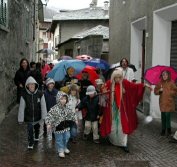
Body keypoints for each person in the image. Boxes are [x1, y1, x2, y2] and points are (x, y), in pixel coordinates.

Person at [100, 69, 150, 152]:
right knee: (112, 126)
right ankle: (113, 140)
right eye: (116, 78)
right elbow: (103, 94)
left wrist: (143, 85)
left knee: (122, 126)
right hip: (111, 110)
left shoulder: (124, 83)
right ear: (113, 77)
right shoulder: (109, 83)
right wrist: (105, 92)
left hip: (122, 110)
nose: (118, 79)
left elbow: (134, 87)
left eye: (120, 77)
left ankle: (123, 143)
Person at [18, 76, 47, 149]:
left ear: (35, 85)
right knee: (30, 129)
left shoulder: (40, 94)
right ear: (27, 86)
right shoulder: (24, 95)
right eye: (30, 84)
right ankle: (30, 142)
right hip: (28, 116)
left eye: (33, 84)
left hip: (37, 115)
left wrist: (44, 117)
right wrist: (20, 119)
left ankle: (36, 136)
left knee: (37, 127)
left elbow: (43, 106)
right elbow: (21, 108)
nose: (31, 86)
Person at [45, 91, 76, 158]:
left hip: (66, 126)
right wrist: (48, 123)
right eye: (61, 99)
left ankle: (65, 147)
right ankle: (60, 150)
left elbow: (71, 114)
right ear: (58, 99)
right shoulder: (54, 108)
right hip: (58, 127)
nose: (63, 100)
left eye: (65, 99)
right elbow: (49, 116)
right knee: (59, 139)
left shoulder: (67, 107)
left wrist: (75, 119)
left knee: (67, 136)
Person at [154, 70, 177, 136]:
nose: (165, 76)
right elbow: (155, 92)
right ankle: (163, 130)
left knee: (167, 116)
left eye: (166, 75)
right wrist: (160, 91)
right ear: (162, 76)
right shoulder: (159, 83)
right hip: (162, 102)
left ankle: (169, 129)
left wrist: (170, 92)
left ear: (168, 75)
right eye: (163, 75)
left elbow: (175, 91)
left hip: (169, 102)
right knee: (163, 116)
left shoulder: (172, 82)